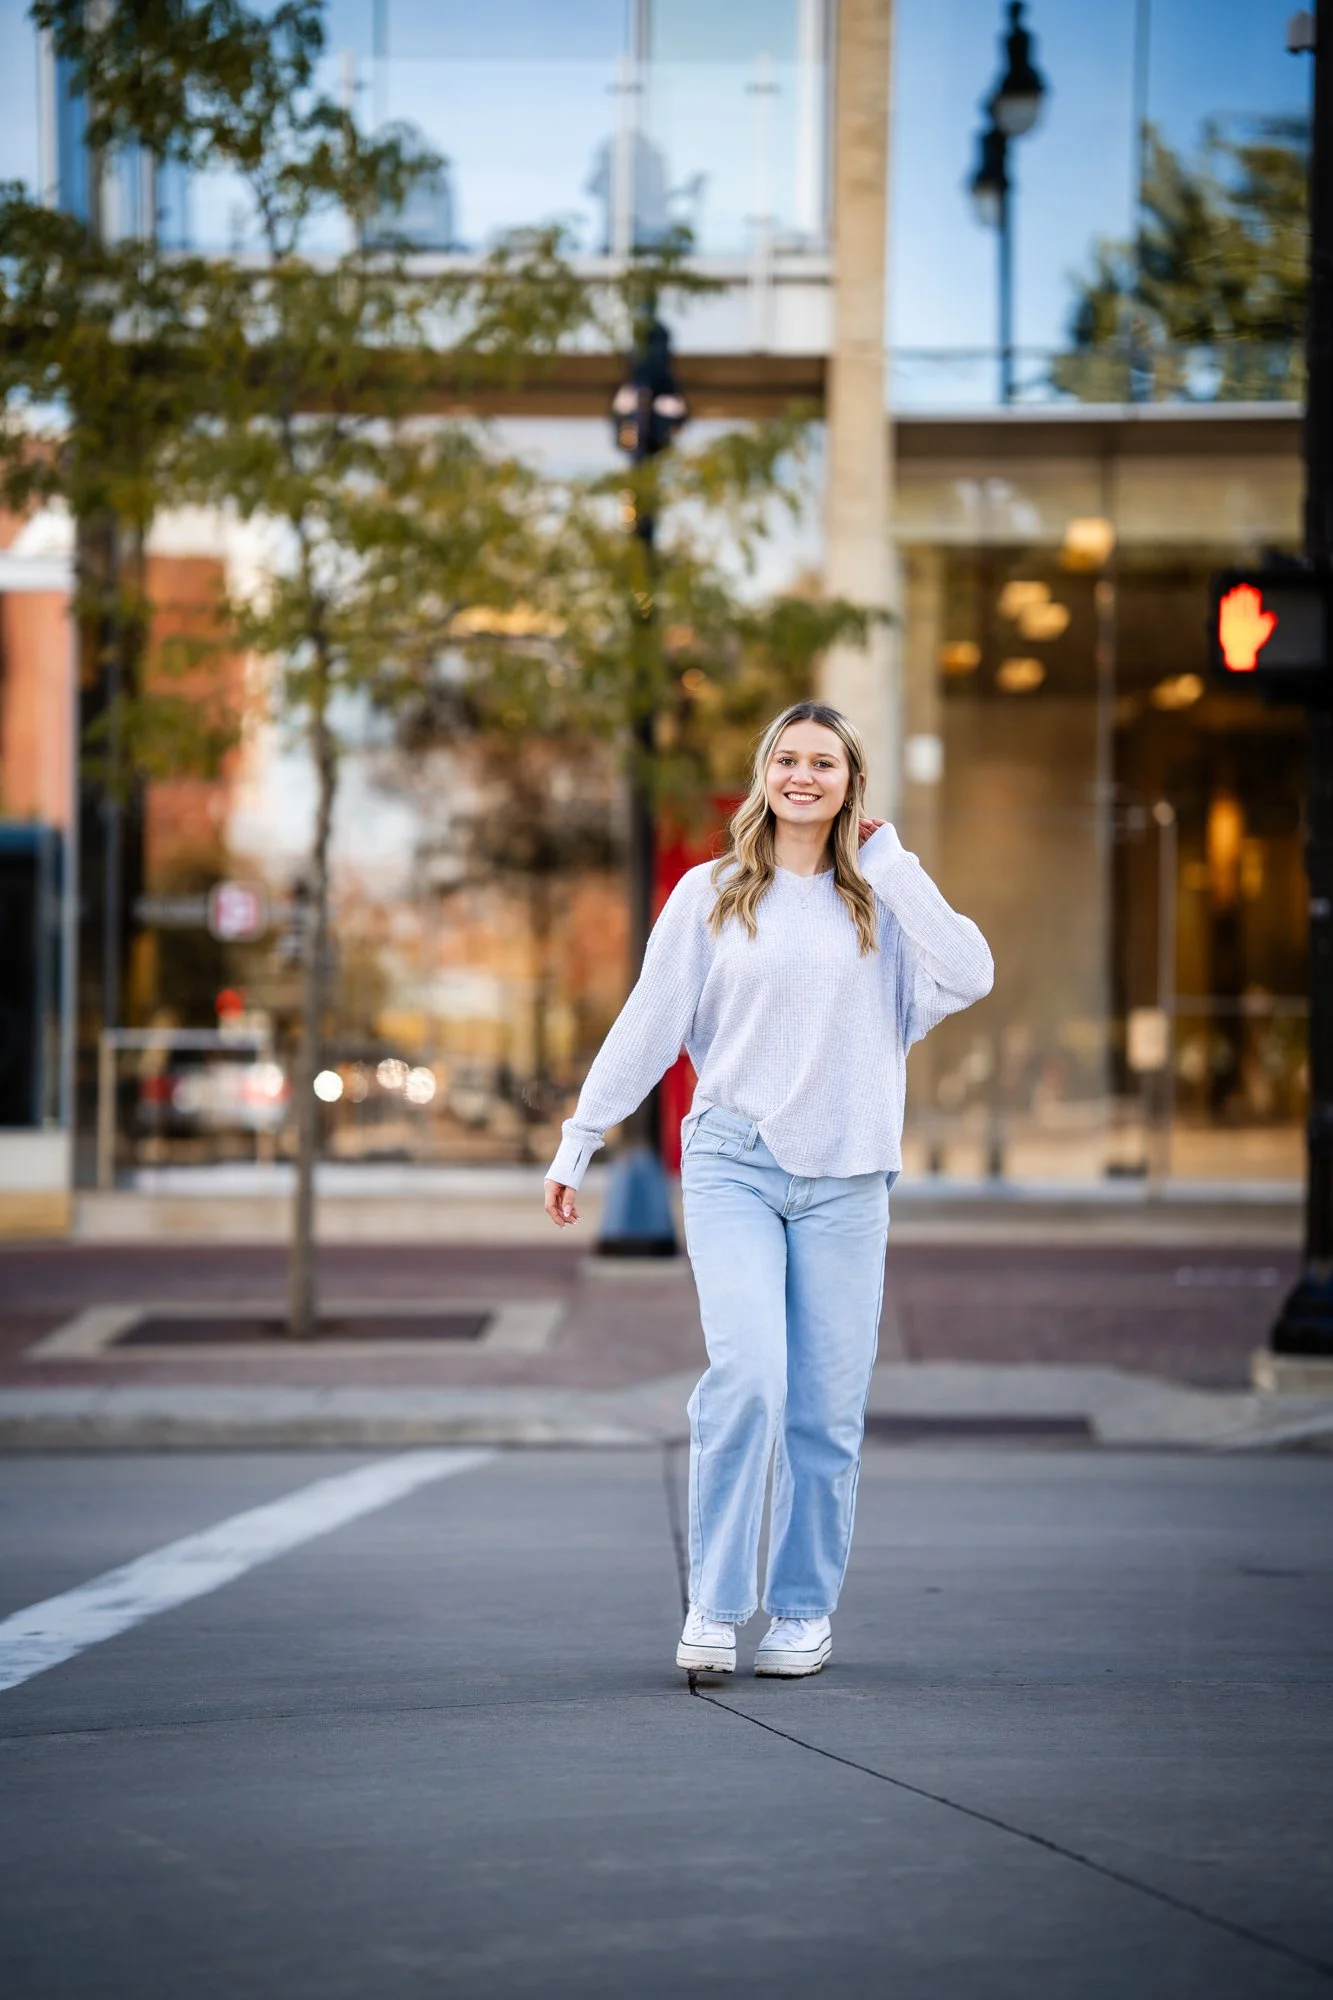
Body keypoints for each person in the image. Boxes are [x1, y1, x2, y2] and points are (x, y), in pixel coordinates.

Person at [543, 701, 994, 1679]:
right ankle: (713, 1605)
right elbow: (649, 1024)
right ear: (764, 776)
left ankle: (800, 1611)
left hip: (847, 1181)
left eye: (823, 762)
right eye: (786, 759)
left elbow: (972, 972)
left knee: (824, 1413)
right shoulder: (710, 894)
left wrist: (891, 863)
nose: (802, 775)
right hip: (733, 1162)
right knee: (748, 1377)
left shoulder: (883, 904)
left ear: (850, 782)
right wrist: (580, 1138)